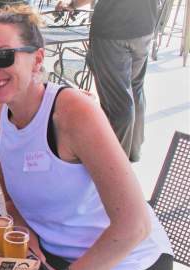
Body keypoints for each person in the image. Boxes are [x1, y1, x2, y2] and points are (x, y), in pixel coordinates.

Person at [0, 7, 173, 270]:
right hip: (52, 259)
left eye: (2, 57)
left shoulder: (72, 112)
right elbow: (14, 206)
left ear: (37, 60)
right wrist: (30, 248)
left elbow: (133, 227)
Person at [56, 0, 158, 162]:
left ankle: (115, 165)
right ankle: (132, 151)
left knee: (118, 103)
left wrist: (73, 5)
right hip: (145, 26)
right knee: (135, 88)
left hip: (113, 30)